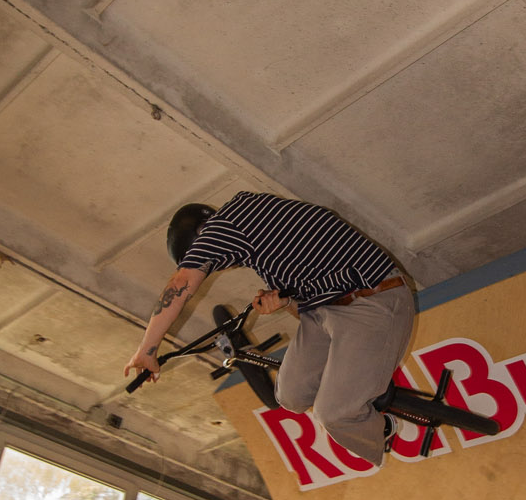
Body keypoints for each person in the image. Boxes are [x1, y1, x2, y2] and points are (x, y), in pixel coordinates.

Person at [124, 191, 414, 467]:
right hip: (328, 310)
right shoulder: (261, 238)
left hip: (375, 299)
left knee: (334, 414)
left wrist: (147, 349)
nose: (223, 268)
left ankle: (379, 424)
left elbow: (181, 283)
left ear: (200, 237)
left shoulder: (224, 225)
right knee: (290, 396)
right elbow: (311, 297)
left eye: (208, 261)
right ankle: (355, 381)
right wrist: (285, 302)